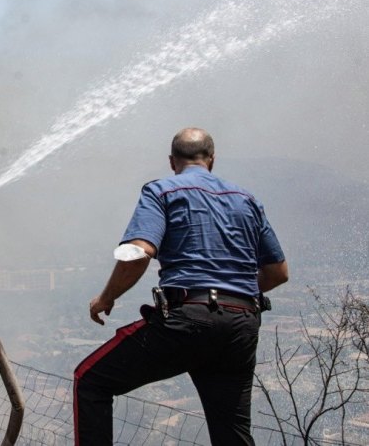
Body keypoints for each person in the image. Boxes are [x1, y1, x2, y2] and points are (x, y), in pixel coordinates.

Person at [73, 127, 288, 446]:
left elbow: (139, 252)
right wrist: (235, 293)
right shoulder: (247, 200)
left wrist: (106, 297)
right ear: (212, 160)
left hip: (187, 320)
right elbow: (277, 272)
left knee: (90, 381)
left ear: (172, 161)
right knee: (232, 432)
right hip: (241, 325)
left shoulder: (161, 191)